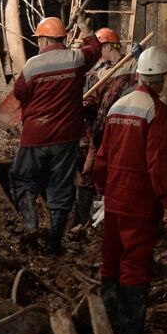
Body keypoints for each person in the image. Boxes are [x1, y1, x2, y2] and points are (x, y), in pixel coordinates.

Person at [93, 46, 167, 334]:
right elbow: (157, 163)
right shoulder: (157, 111)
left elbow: (101, 158)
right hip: (139, 204)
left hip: (114, 199)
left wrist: (103, 191)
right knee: (135, 265)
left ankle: (107, 330)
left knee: (110, 263)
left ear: (138, 74)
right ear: (162, 78)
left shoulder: (118, 106)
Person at [11, 16, 102, 254]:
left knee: (24, 179)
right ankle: (54, 244)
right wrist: (85, 27)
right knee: (60, 188)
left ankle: (31, 225)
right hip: (65, 137)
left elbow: (19, 92)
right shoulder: (76, 59)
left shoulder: (32, 65)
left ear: (42, 39)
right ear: (62, 38)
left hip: (35, 135)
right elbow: (95, 49)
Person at [73, 28, 127, 230]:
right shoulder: (101, 72)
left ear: (107, 46)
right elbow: (95, 100)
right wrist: (83, 104)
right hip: (99, 132)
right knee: (88, 174)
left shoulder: (130, 67)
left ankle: (106, 223)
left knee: (112, 176)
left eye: (99, 49)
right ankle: (81, 221)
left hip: (119, 134)